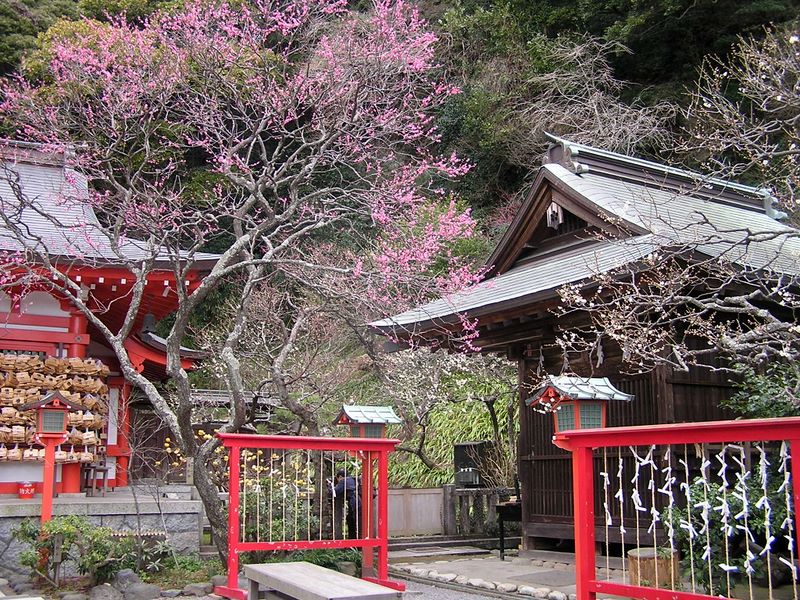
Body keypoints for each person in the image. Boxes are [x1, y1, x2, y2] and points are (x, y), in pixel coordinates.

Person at [333, 469, 361, 539]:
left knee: (351, 521)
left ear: (340, 477)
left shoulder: (343, 481)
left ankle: (353, 540)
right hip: (359, 501)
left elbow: (335, 492)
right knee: (356, 521)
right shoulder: (353, 479)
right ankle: (357, 540)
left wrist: (330, 486)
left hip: (353, 503)